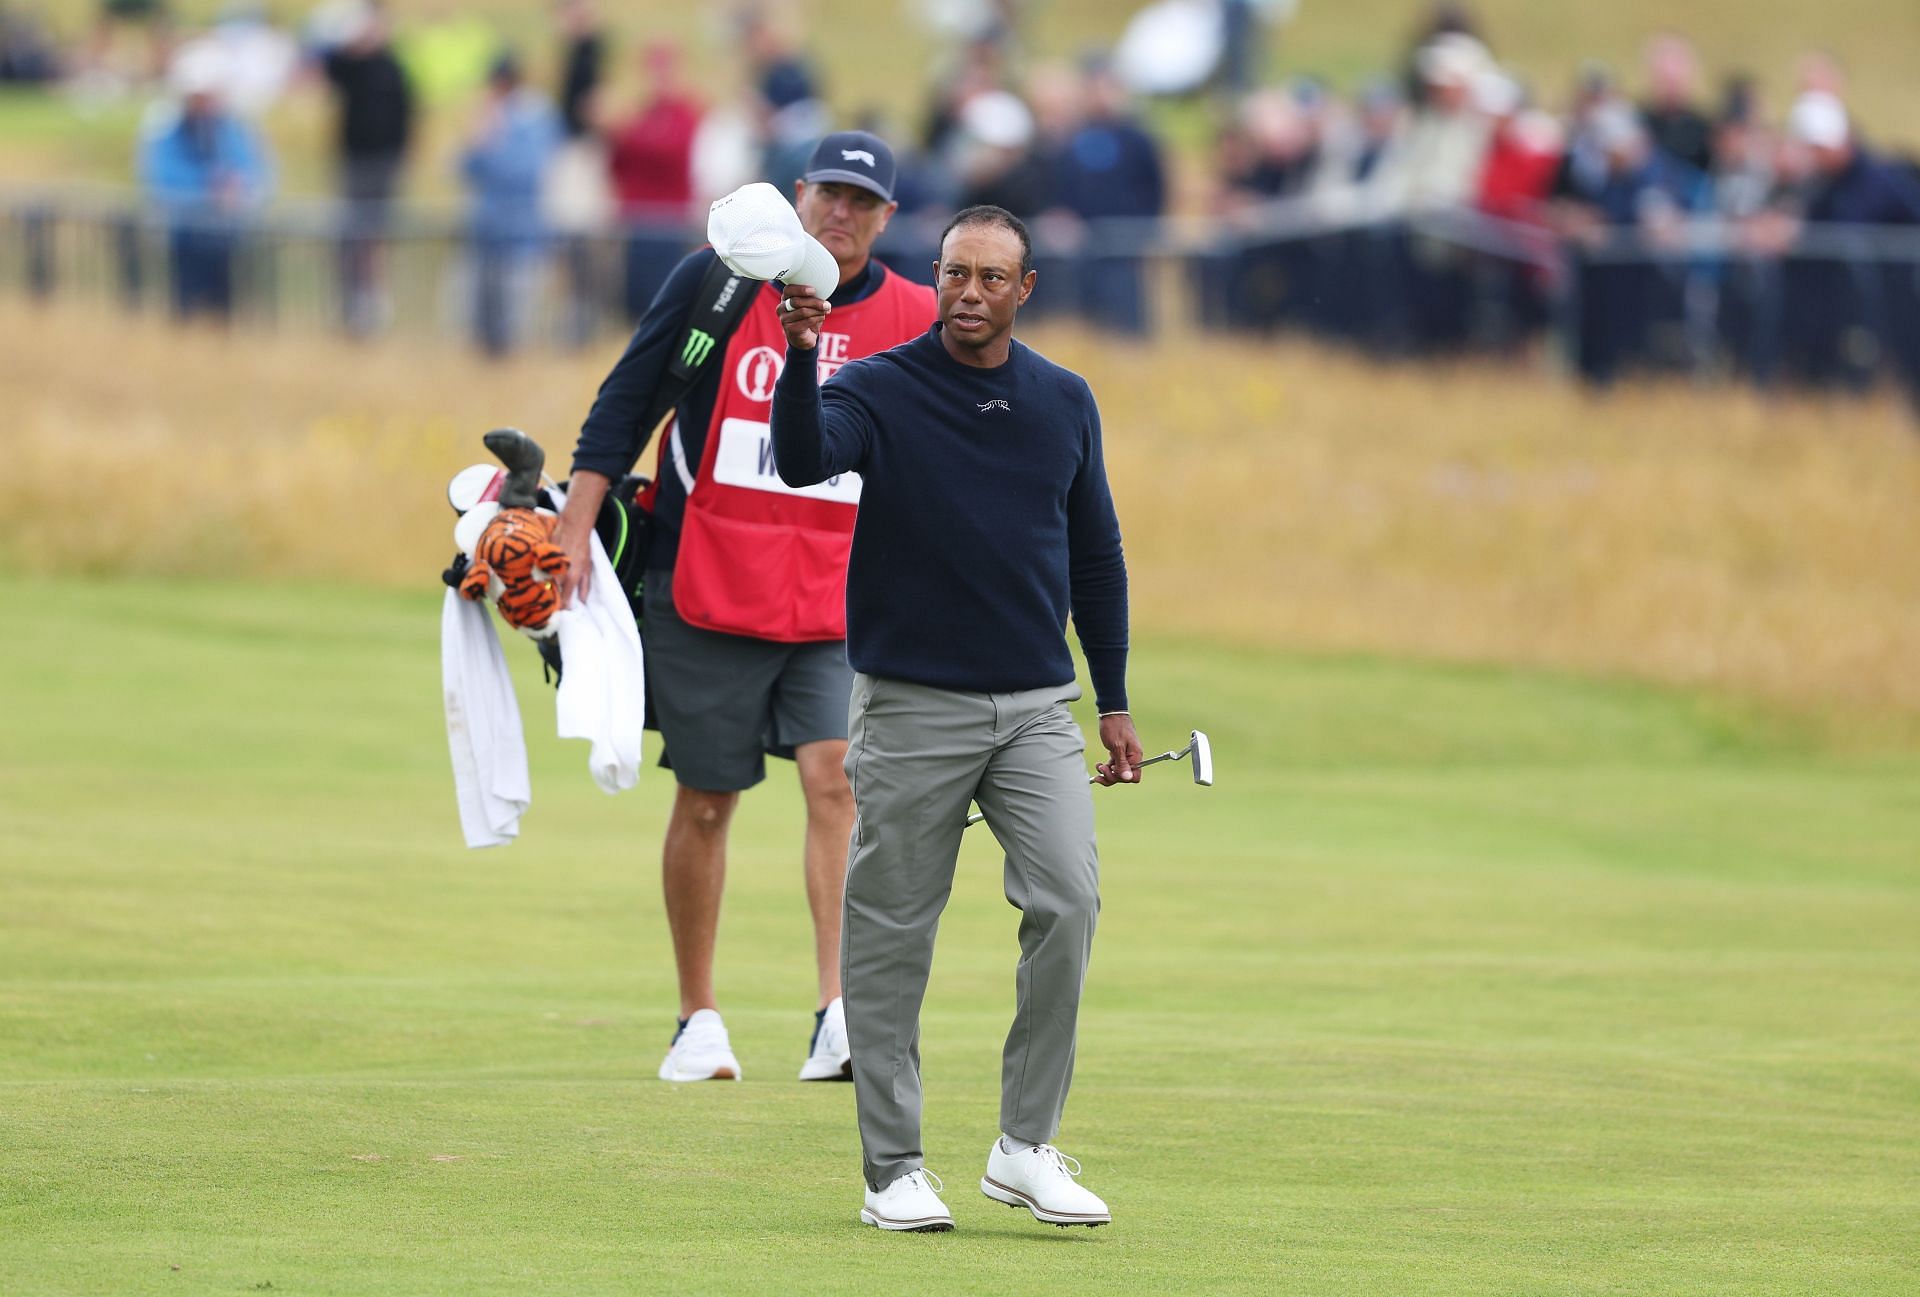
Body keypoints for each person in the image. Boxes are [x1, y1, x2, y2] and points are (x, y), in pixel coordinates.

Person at [769, 205, 1142, 1232]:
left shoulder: (1064, 400)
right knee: (892, 935)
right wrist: (802, 357)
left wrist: (1111, 699)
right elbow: (803, 459)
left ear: (1026, 291)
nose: (970, 292)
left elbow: (1095, 555)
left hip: (1034, 707)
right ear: (936, 278)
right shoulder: (878, 390)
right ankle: (893, 1167)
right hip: (911, 704)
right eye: (955, 273)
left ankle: (1024, 1148)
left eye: (991, 277)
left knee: (1067, 899)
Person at [553, 132, 936, 1085]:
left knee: (837, 780)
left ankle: (837, 1012)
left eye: (862, 202)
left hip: (843, 597)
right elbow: (628, 400)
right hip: (707, 582)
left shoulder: (914, 315)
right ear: (797, 194)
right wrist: (575, 522)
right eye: (827, 194)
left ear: (886, 219)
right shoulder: (717, 282)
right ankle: (697, 1019)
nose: (840, 214)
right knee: (709, 801)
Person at [140, 45, 272, 321]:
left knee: (226, 313)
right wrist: (209, 190)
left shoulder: (232, 127)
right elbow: (162, 179)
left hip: (227, 238)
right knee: (186, 309)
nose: (205, 103)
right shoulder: (165, 129)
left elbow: (256, 170)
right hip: (185, 237)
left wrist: (240, 189)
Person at [318, 2, 413, 337]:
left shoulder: (394, 67)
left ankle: (373, 304)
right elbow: (327, 65)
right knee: (350, 234)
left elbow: (406, 117)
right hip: (353, 162)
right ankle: (350, 304)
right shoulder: (350, 63)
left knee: (375, 236)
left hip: (383, 164)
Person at [459, 52, 561, 356]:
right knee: (480, 316)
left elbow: (526, 171)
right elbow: (465, 167)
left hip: (522, 233)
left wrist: (492, 145)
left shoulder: (535, 117)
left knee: (516, 320)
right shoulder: (491, 115)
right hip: (486, 230)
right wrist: (480, 141)